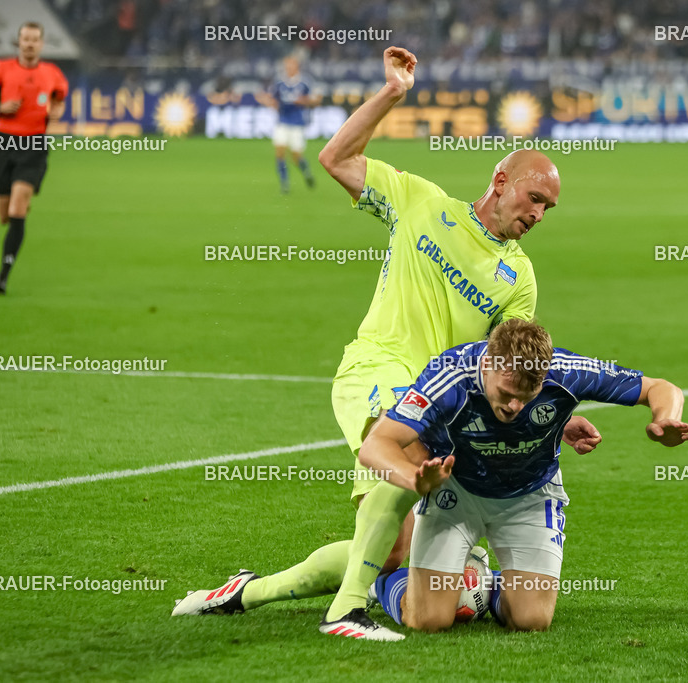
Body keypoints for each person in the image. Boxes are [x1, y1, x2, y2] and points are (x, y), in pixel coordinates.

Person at [171, 47, 600, 640]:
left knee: (389, 554)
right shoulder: (420, 202)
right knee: (397, 472)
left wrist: (546, 414)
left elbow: (504, 366)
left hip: (433, 397)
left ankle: (247, 591)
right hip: (374, 367)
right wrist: (391, 93)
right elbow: (336, 156)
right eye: (535, 199)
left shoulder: (518, 278)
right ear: (500, 181)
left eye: (549, 208)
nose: (540, 214)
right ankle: (345, 614)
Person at [362, 318, 688, 632]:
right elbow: (376, 444)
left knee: (531, 619)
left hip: (529, 496)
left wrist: (664, 418)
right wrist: (412, 478)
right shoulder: (449, 373)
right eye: (507, 394)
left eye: (527, 396)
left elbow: (660, 388)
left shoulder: (567, 371)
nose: (515, 407)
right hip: (456, 493)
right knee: (428, 620)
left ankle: (480, 583)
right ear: (488, 364)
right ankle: (383, 583)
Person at [0, 22, 68, 294]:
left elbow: (59, 99)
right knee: (6, 217)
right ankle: (20, 202)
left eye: (34, 40)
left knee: (16, 211)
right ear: (19, 42)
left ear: (41, 44)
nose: (29, 44)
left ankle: (2, 276)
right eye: (25, 39)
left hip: (34, 145)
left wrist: (57, 111)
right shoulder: (0, 69)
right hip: (3, 144)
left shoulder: (53, 74)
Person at [260, 56, 321, 193]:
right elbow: (273, 98)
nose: (288, 69)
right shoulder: (279, 82)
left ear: (296, 67)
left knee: (296, 156)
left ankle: (307, 173)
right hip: (282, 121)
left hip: (298, 123)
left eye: (290, 66)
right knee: (280, 152)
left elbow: (316, 99)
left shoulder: (305, 82)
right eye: (286, 66)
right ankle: (284, 184)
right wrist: (269, 102)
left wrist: (303, 101)